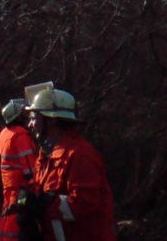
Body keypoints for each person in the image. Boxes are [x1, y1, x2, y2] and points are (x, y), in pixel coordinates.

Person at [17, 85, 115, 241]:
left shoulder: (80, 155)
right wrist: (26, 199)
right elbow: (40, 187)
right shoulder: (47, 153)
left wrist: (45, 206)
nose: (30, 125)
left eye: (34, 118)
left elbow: (83, 204)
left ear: (51, 120)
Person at [0, 98, 36, 241]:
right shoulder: (20, 135)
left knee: (6, 222)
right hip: (21, 189)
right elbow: (30, 169)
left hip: (8, 187)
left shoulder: (4, 134)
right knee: (18, 225)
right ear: (18, 116)